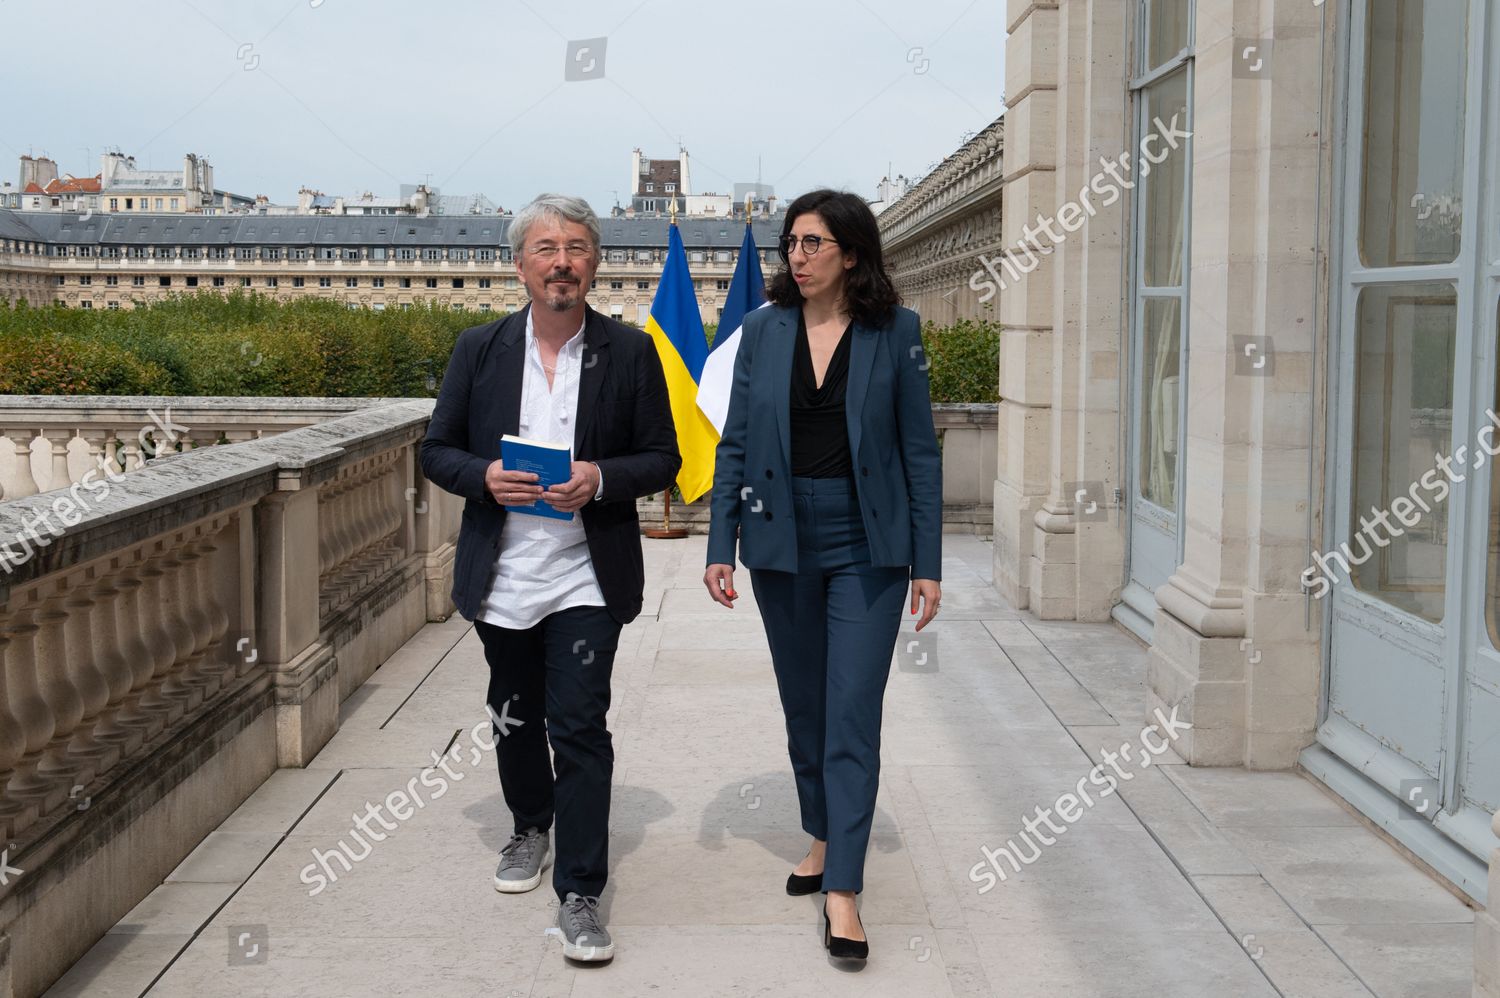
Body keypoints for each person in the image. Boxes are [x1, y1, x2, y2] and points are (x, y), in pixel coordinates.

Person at [421, 193, 680, 963]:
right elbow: (436, 449)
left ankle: (581, 893)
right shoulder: (479, 347)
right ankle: (530, 823)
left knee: (578, 726)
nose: (560, 260)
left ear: (594, 262)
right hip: (503, 573)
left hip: (586, 575)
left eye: (575, 246)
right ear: (520, 263)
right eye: (544, 247)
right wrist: (484, 476)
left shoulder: (629, 353)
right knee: (511, 713)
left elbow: (664, 457)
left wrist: (599, 477)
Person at [703, 188, 942, 962]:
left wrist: (927, 565)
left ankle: (844, 887)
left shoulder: (896, 331)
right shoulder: (761, 330)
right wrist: (719, 543)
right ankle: (820, 834)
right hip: (781, 541)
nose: (797, 257)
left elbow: (919, 454)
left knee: (850, 710)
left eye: (812, 243)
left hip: (868, 544)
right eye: (791, 244)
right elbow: (734, 444)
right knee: (804, 706)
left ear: (850, 252)